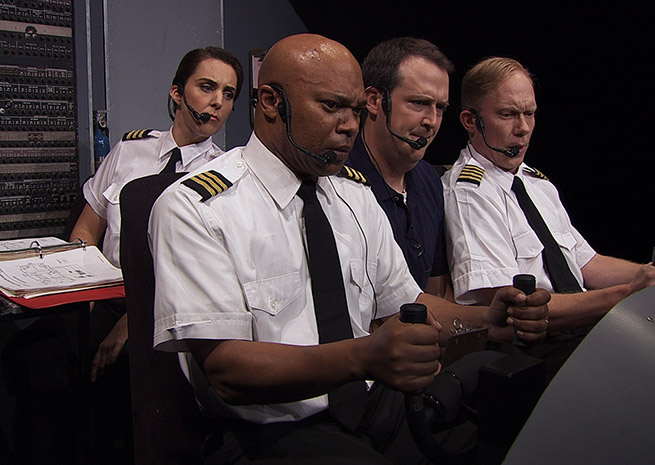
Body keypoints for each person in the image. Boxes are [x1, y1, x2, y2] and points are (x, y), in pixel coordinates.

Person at [148, 34, 549, 464]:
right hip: (270, 431)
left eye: (357, 110)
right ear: (270, 101)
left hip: (373, 404)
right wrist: (364, 357)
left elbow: (407, 304)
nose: (350, 126)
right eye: (332, 106)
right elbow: (227, 370)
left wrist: (487, 319)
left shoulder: (354, 199)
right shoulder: (196, 206)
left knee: (527, 426)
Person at [3, 46, 243, 465]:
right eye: (206, 87)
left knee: (119, 377)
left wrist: (132, 320)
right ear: (176, 92)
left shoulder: (224, 177)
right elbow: (87, 227)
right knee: (31, 357)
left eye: (228, 93)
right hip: (100, 296)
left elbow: (195, 276)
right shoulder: (129, 151)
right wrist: (82, 285)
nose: (217, 102)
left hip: (161, 311)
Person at [442, 56, 655, 333]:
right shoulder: (470, 192)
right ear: (471, 121)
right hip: (540, 344)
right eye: (507, 115)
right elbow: (513, 306)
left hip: (588, 328)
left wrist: (645, 276)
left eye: (529, 114)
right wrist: (627, 294)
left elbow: (587, 262)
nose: (523, 128)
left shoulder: (536, 183)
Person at [345, 37, 453, 296]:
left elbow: (434, 289)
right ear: (373, 100)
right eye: (419, 103)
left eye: (440, 108)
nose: (432, 121)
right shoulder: (336, 183)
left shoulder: (429, 181)